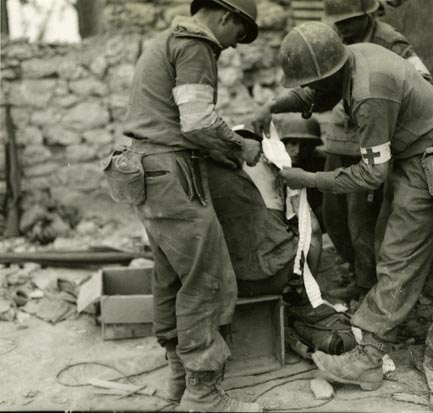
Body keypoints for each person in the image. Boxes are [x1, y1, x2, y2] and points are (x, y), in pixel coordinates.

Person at [253, 21, 433, 391]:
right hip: (412, 156)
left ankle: (369, 359)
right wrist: (273, 105)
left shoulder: (370, 92)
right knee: (383, 241)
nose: (308, 90)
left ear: (327, 72)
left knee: (398, 255)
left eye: (311, 81)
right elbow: (320, 96)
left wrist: (308, 180)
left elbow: (371, 175)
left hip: (432, 161)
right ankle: (385, 319)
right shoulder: (351, 59)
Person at [121, 0, 263, 411]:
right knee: (207, 278)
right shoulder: (196, 44)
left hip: (146, 169)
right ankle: (203, 395)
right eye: (239, 34)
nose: (234, 47)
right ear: (225, 17)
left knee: (172, 275)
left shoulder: (166, 40)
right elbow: (198, 122)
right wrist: (241, 146)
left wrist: (222, 153)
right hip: (171, 173)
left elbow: (179, 121)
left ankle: (177, 384)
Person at [321, 0, 433, 301]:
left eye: (348, 21)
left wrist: (377, 106)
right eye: (337, 23)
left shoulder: (390, 41)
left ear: (367, 14)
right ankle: (353, 265)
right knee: (332, 211)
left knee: (360, 215)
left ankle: (364, 281)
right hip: (342, 131)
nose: (341, 27)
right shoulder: (337, 40)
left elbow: (421, 80)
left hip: (372, 135)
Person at [205, 123, 322, 298]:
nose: (297, 150)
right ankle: (303, 298)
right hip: (275, 278)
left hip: (224, 283)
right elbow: (313, 229)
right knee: (310, 234)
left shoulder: (207, 173)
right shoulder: (276, 170)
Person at [276, 114, 325, 228]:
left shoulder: (322, 163)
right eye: (293, 143)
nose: (297, 151)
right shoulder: (272, 164)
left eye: (304, 145)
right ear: (283, 143)